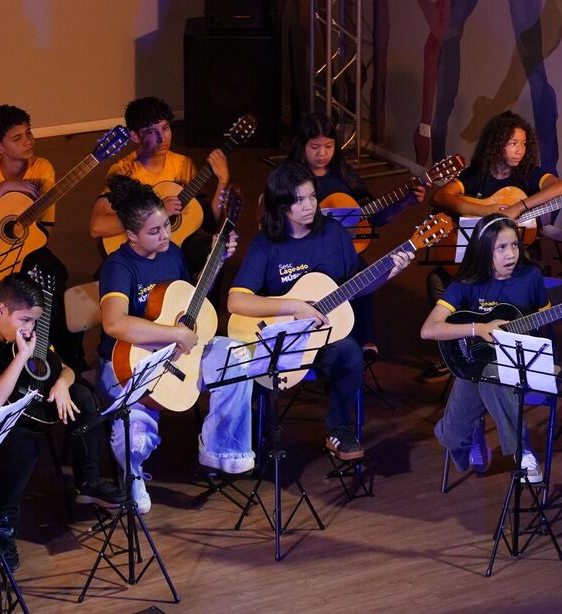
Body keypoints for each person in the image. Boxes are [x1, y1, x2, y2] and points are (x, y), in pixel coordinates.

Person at [227, 163, 413, 460]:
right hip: (281, 338)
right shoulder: (266, 244)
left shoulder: (334, 233)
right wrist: (295, 306)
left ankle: (337, 429)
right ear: (281, 204)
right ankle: (257, 433)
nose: (309, 206)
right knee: (257, 361)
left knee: (350, 353)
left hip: (324, 336)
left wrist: (389, 273)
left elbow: (356, 286)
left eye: (312, 197)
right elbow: (236, 302)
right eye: (299, 200)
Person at [96, 174, 254, 515]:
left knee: (237, 356)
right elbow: (114, 323)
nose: (166, 235)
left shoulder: (173, 253)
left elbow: (188, 300)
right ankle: (132, 473)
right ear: (131, 236)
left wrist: (216, 260)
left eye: (167, 225)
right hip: (128, 364)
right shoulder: (117, 267)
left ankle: (220, 449)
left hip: (178, 355)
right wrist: (174, 335)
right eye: (154, 231)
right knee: (133, 438)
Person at [0, 273, 122, 570]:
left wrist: (64, 384)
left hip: (20, 401)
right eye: (25, 320)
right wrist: (22, 356)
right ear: (1, 310)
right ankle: (2, 524)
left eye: (34, 321)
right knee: (23, 443)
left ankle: (87, 479)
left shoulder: (27, 332)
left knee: (84, 396)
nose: (30, 328)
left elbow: (64, 368)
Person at [423, 110, 562, 382]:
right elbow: (440, 197)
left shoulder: (529, 174)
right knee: (436, 280)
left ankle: (519, 350)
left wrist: (517, 207)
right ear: (496, 144)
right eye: (512, 143)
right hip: (476, 260)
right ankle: (455, 349)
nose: (519, 150)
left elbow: (558, 188)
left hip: (513, 260)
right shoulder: (477, 175)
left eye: (523, 144)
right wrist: (482, 210)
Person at [0, 104, 85, 370]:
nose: (28, 141)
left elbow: (44, 232)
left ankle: (65, 364)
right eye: (17, 138)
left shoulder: (43, 168)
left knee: (55, 284)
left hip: (26, 249)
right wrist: (5, 188)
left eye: (29, 133)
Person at [286, 112, 426, 361]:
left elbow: (372, 216)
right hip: (300, 251)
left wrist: (407, 201)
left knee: (363, 276)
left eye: (328, 146)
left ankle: (363, 339)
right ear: (302, 146)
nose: (322, 153)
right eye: (314, 147)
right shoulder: (290, 177)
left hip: (340, 252)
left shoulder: (344, 174)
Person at [420, 213, 547, 482]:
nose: (511, 254)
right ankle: (470, 431)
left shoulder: (531, 277)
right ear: (483, 249)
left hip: (516, 364)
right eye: (501, 247)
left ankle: (522, 451)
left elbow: (543, 322)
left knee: (492, 377)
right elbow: (429, 329)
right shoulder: (466, 284)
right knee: (451, 436)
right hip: (471, 364)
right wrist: (479, 329)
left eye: (514, 245)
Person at [89, 96, 229, 279]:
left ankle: (204, 305)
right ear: (134, 136)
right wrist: (157, 213)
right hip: (141, 249)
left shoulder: (183, 165)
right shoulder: (123, 171)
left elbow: (208, 221)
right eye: (151, 131)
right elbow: (97, 227)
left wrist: (223, 181)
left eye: (166, 128)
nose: (162, 138)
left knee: (214, 251)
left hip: (174, 243)